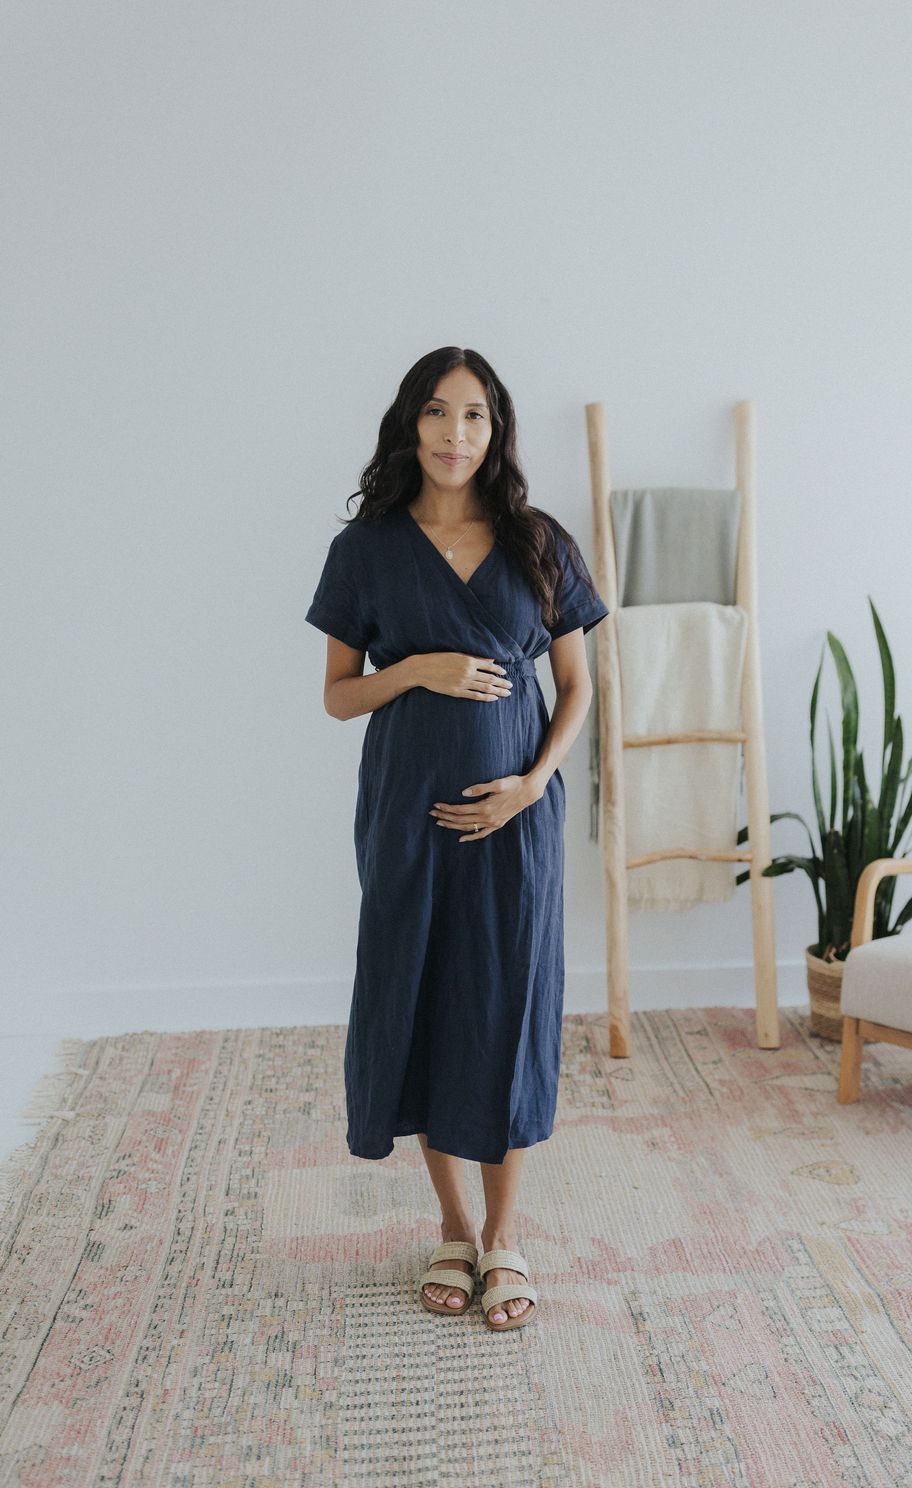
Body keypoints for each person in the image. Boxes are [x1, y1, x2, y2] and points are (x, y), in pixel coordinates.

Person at [305, 346, 609, 1330]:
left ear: (496, 430)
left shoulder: (539, 541)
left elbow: (576, 690)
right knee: (426, 996)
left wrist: (530, 785)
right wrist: (419, 668)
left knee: (509, 1007)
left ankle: (507, 1233)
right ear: (410, 423)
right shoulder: (367, 549)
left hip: (516, 826)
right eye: (436, 413)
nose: (453, 433)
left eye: (473, 416)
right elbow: (338, 696)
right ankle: (451, 1225)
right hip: (408, 815)